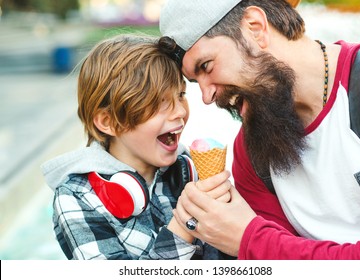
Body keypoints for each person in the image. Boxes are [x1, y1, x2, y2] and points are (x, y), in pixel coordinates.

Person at [158, 0, 360, 259]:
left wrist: (247, 239)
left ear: (255, 28)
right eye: (195, 81)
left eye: (207, 66)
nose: (207, 96)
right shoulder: (251, 149)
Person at [41, 34, 233, 260]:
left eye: (180, 95)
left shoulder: (188, 170)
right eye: (158, 102)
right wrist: (186, 222)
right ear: (108, 121)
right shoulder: (77, 197)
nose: (180, 111)